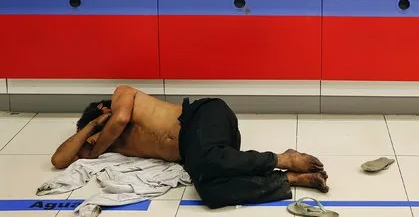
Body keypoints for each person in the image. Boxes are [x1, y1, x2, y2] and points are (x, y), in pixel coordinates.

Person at [51, 86, 329, 209]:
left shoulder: (121, 96)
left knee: (207, 160)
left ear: (102, 110)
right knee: (209, 191)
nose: (95, 146)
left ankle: (283, 158)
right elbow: (60, 160)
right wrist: (88, 129)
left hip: (204, 116)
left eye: (96, 131)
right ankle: (288, 179)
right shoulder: (106, 143)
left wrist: (101, 128)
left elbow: (120, 118)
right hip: (203, 154)